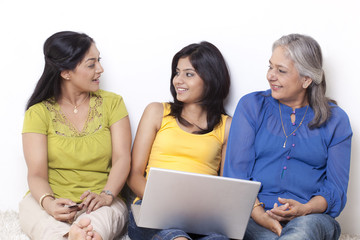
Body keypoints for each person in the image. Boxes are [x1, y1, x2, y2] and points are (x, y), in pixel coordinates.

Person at [223, 33, 352, 240]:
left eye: (281, 71)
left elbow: (336, 189)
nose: (270, 76)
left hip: (311, 217)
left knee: (301, 232)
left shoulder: (336, 120)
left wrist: (305, 208)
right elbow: (236, 174)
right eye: (270, 66)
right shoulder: (252, 106)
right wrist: (259, 214)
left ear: (306, 79)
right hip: (253, 213)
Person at [19, 31, 131, 240]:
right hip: (52, 199)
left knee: (98, 225)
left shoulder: (113, 103)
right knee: (38, 217)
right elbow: (36, 174)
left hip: (101, 199)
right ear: (65, 72)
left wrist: (107, 195)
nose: (100, 69)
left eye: (99, 61)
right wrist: (49, 203)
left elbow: (123, 158)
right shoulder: (38, 113)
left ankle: (86, 235)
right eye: (91, 64)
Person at [127, 41, 232, 240]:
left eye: (188, 74)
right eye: (177, 72)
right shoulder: (157, 112)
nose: (178, 80)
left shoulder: (226, 126)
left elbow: (225, 187)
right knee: (177, 238)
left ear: (210, 78)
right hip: (153, 210)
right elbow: (133, 174)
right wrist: (167, 205)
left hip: (200, 216)